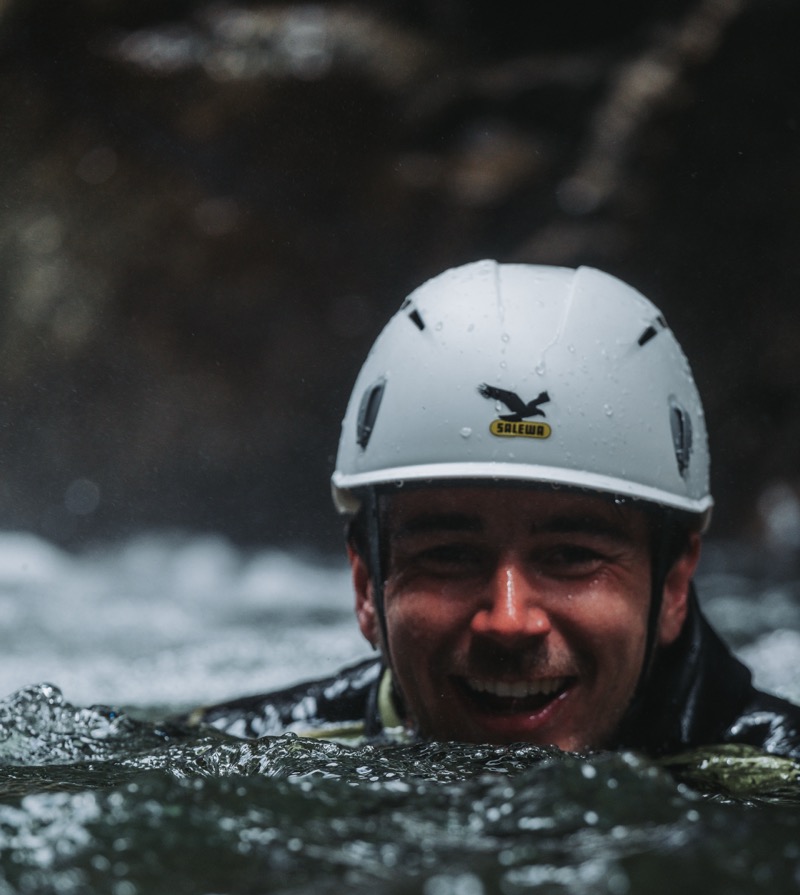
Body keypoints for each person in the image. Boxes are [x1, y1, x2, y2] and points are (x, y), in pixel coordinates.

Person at [187, 260, 800, 757]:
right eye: (450, 555)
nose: (509, 622)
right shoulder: (242, 750)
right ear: (366, 584)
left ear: (673, 584)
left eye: (571, 556)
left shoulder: (776, 774)